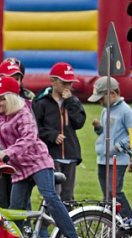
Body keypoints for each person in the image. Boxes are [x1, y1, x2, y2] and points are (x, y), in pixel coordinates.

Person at [0, 76, 84, 238]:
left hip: (37, 162)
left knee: (50, 197)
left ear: (10, 98)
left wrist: (7, 153)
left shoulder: (23, 113)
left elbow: (29, 138)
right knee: (14, 210)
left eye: (0, 98)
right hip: (18, 169)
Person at [32, 62, 86, 203]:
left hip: (70, 153)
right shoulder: (41, 101)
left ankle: (68, 222)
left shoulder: (73, 101)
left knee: (68, 195)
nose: (68, 87)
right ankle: (45, 223)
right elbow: (34, 128)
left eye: (70, 83)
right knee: (53, 194)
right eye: (64, 83)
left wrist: (70, 102)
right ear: (53, 81)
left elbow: (79, 122)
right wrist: (52, 135)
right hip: (51, 155)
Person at [89, 76, 132, 219]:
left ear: (112, 94)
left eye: (101, 99)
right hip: (103, 158)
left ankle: (129, 220)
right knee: (107, 194)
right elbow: (105, 131)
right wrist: (98, 128)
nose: (100, 102)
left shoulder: (126, 111)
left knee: (114, 192)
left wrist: (119, 146)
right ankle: (113, 220)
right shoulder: (106, 110)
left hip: (118, 160)